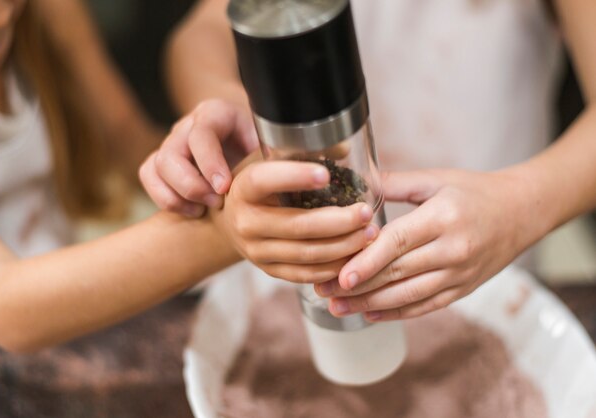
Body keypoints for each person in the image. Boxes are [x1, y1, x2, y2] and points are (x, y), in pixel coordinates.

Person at [141, 0, 596, 322]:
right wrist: (228, 104)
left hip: (482, 259)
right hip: (292, 275)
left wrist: (518, 208)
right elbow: (200, 36)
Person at [0, 0, 254, 354]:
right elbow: (2, 306)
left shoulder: (47, 12)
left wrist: (200, 167)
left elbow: (127, 140)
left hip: (80, 297)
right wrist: (229, 228)